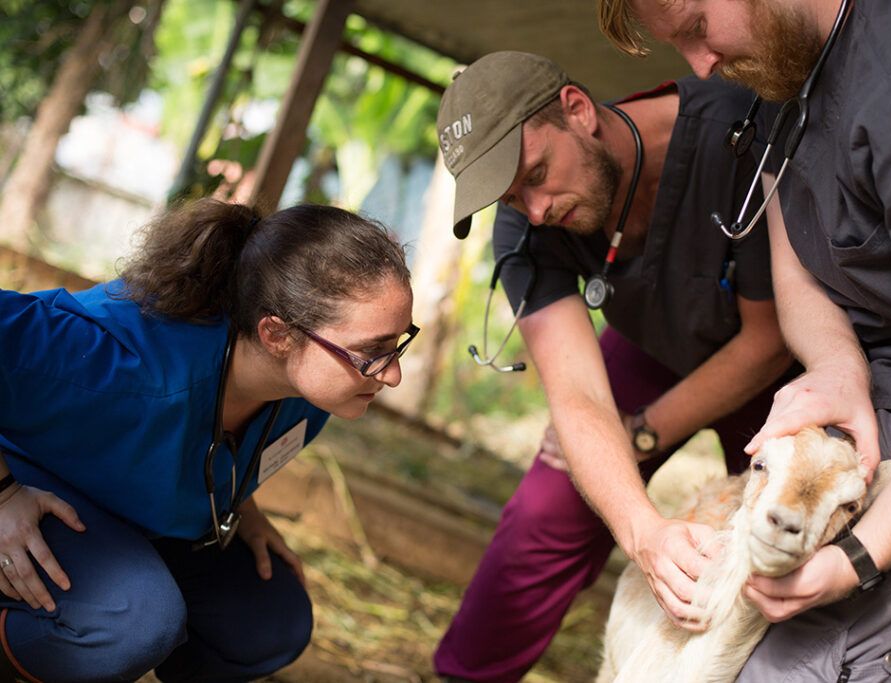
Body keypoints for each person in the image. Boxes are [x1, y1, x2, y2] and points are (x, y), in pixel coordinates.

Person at [597, 0, 891, 680]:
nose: (701, 68)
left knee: (788, 665)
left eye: (698, 29)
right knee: (711, 631)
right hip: (886, 380)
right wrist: (835, 365)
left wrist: (857, 558)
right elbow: (795, 270)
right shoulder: (783, 70)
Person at [432, 50, 795, 682]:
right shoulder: (526, 229)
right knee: (549, 506)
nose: (537, 209)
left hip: (779, 371)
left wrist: (644, 432)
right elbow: (577, 398)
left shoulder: (739, 136)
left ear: (577, 111)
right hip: (653, 346)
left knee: (781, 543)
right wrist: (643, 533)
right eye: (513, 197)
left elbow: (770, 340)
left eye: (537, 173)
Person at [0, 199, 416, 682]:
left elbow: (200, 446)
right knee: (133, 619)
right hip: (29, 489)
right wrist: (4, 494)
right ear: (277, 335)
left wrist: (243, 506)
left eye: (399, 343)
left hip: (122, 515)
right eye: (372, 352)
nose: (393, 375)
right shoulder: (125, 362)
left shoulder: (307, 395)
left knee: (270, 620)